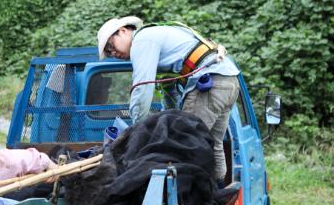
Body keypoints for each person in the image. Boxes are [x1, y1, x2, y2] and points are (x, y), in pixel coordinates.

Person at [97, 16, 240, 184]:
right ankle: (220, 193)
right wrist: (171, 118)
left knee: (181, 145)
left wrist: (138, 131)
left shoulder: (142, 40)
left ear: (123, 31)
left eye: (110, 45)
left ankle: (190, 202)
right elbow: (170, 91)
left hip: (210, 83)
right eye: (108, 52)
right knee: (212, 144)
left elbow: (142, 88)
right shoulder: (158, 41)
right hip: (228, 81)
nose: (112, 53)